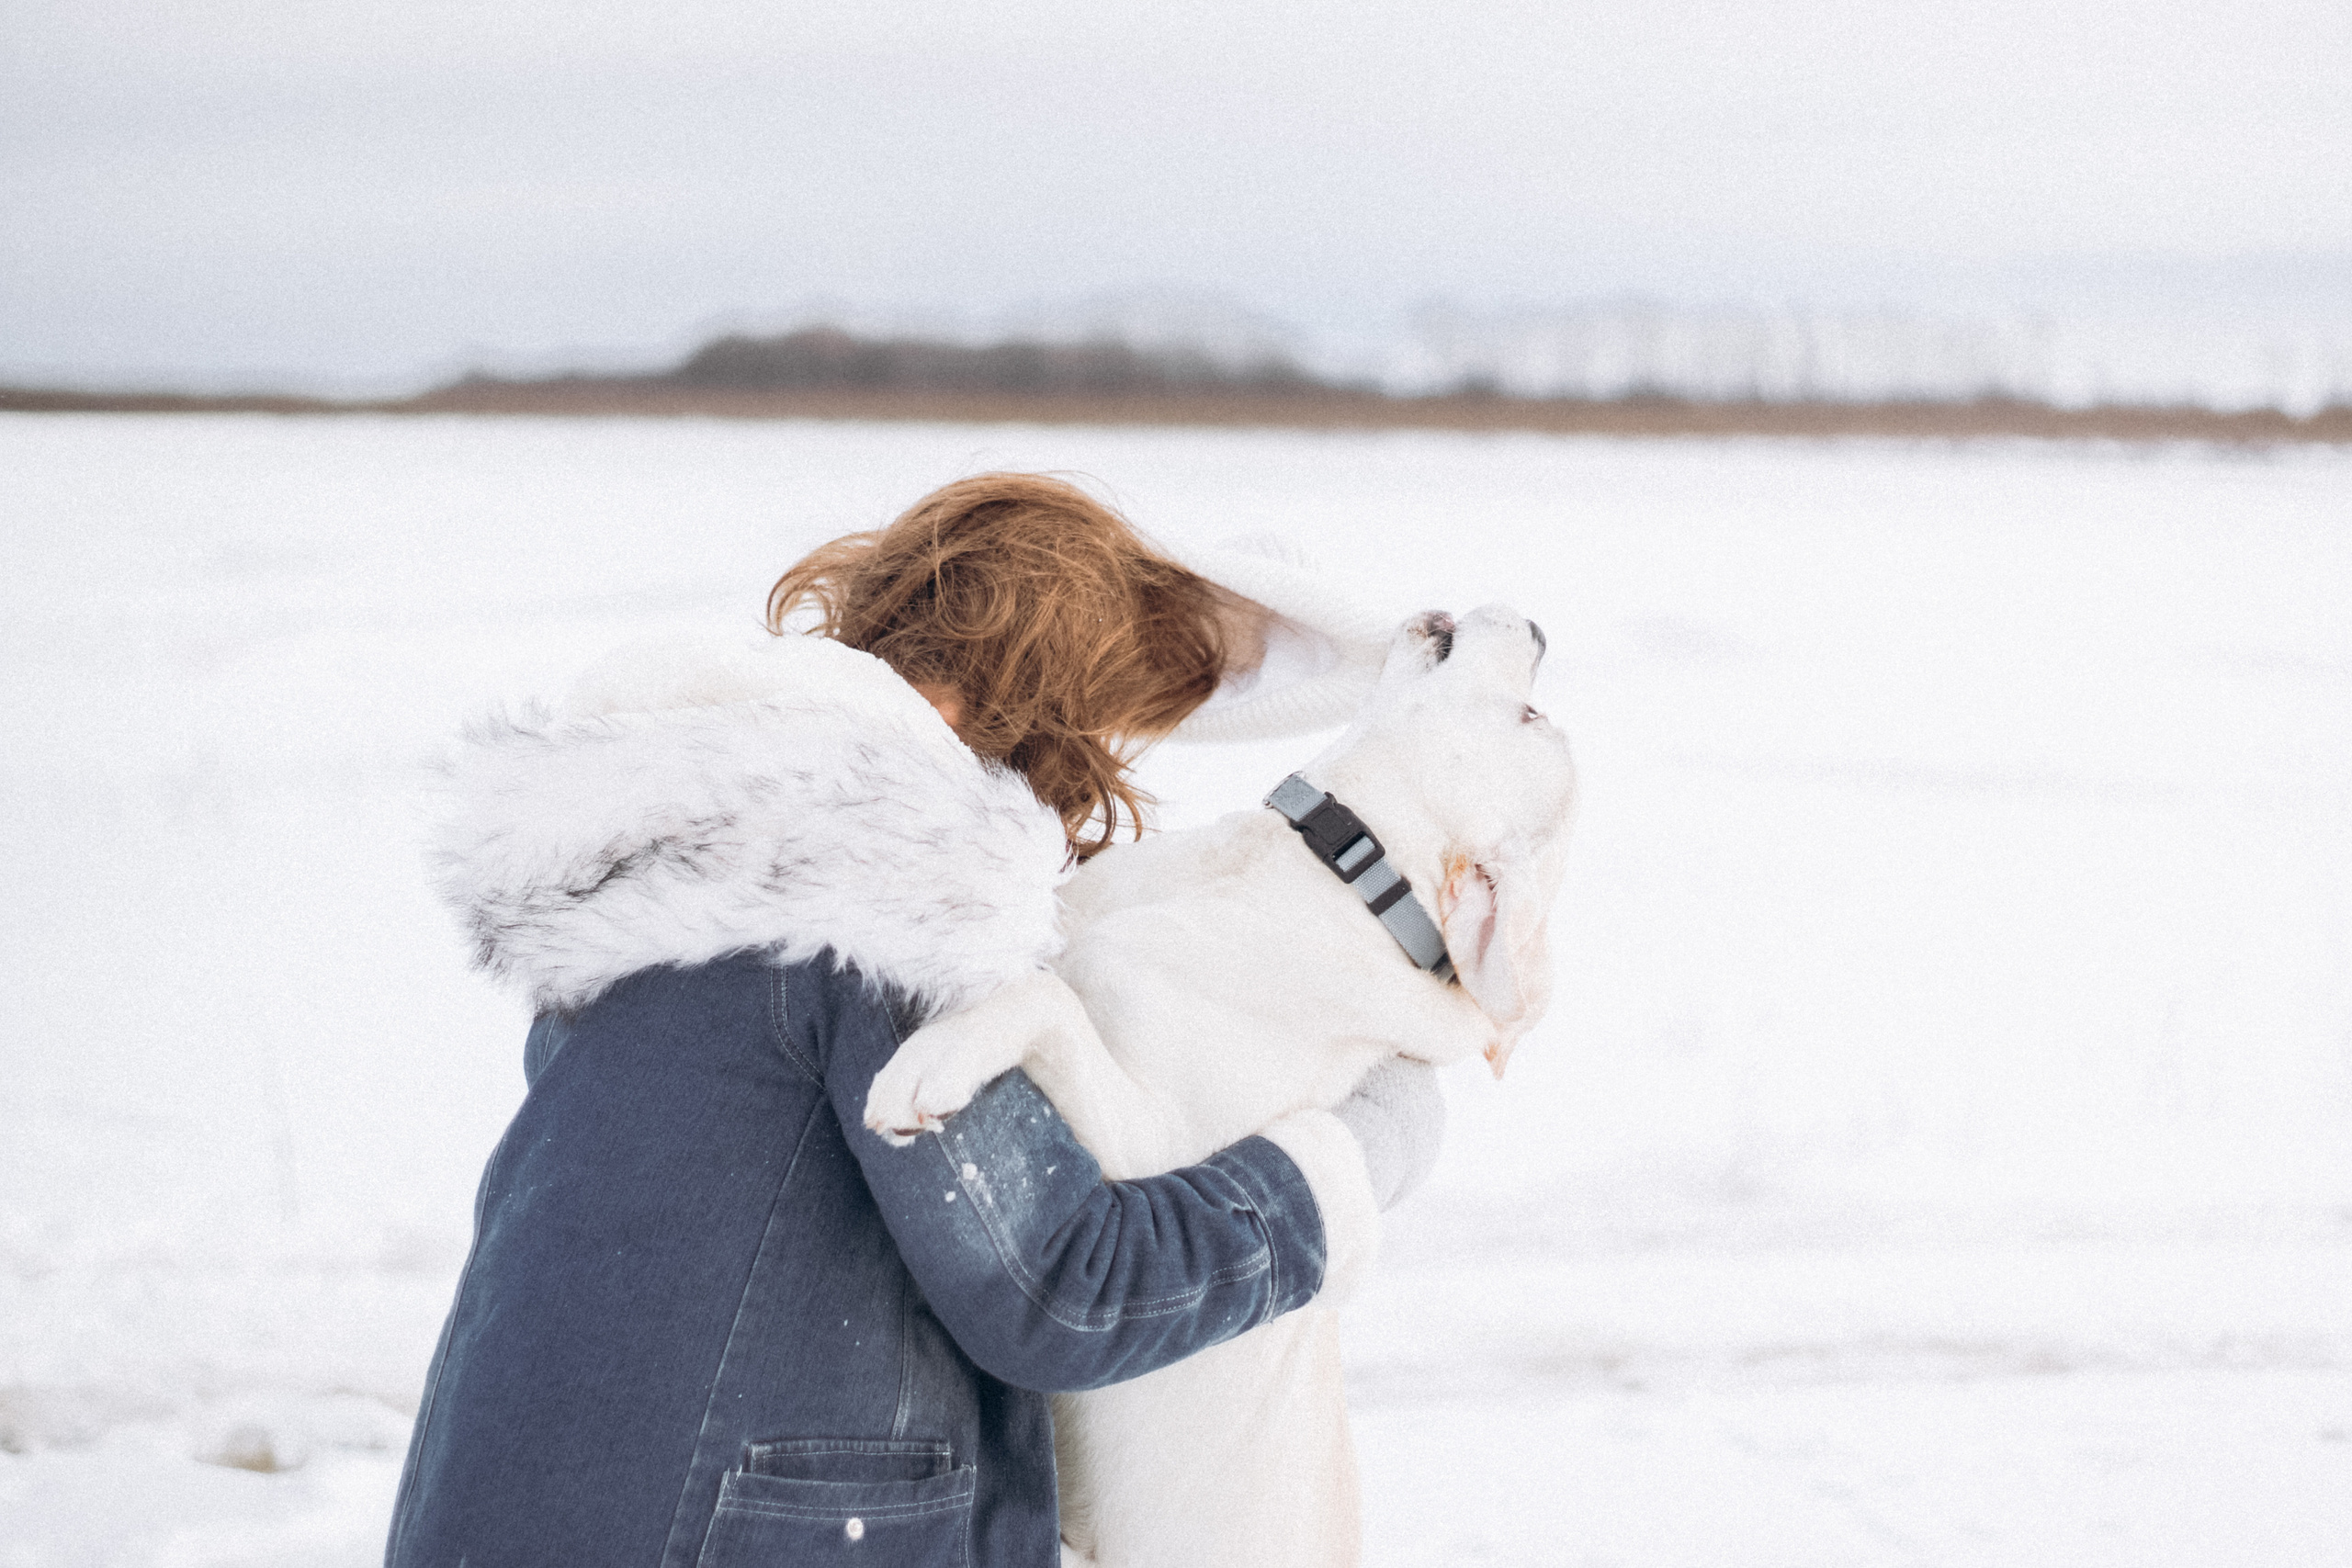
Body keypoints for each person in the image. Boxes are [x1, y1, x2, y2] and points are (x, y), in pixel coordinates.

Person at [386, 473, 1445, 1567]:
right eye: (1073, 752)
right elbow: (1060, 1291)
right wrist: (1360, 1151)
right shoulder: (885, 884)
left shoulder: (664, 872)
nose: (1068, 812)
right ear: (975, 717)